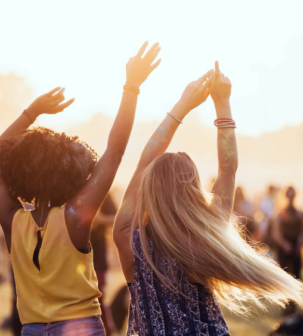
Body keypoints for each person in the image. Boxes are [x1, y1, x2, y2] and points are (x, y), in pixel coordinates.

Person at [113, 61, 303, 336]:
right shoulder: (206, 234)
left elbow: (145, 161)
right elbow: (228, 170)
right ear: (193, 186)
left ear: (148, 188)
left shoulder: (128, 240)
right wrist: (222, 102)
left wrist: (183, 105)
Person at [0, 41, 162, 336]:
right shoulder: (73, 217)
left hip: (31, 329)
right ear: (73, 173)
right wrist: (131, 87)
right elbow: (114, 151)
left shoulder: (13, 222)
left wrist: (31, 113)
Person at [272, 186, 303, 315]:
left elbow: (301, 231)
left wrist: (299, 244)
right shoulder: (280, 213)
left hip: (295, 246)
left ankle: (294, 305)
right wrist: (285, 245)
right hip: (284, 246)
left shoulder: (299, 213)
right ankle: (284, 305)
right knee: (283, 275)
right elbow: (276, 233)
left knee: (296, 275)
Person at [90, 194, 118, 335]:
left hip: (97, 260)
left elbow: (117, 218)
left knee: (98, 302)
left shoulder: (104, 192)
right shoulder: (70, 186)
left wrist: (100, 219)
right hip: (71, 258)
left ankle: (107, 332)